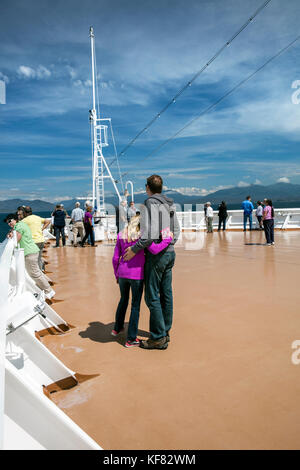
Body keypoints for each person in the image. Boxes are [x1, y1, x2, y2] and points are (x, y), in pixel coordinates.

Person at [123, 174, 180, 350]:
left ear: (148, 188)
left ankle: (158, 337)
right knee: (166, 294)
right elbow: (176, 231)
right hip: (170, 254)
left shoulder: (149, 204)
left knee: (152, 296)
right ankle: (165, 331)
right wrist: (167, 245)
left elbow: (148, 236)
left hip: (157, 257)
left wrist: (134, 249)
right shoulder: (170, 204)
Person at [112, 215, 173, 348]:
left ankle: (116, 328)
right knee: (135, 306)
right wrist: (167, 240)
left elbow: (115, 258)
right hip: (137, 276)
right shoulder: (142, 236)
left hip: (122, 273)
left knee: (123, 300)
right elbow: (155, 249)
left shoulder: (121, 235)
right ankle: (131, 339)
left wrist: (117, 274)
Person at [4, 213, 55, 299]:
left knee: (34, 273)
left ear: (15, 219)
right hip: (32, 250)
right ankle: (46, 289)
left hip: (29, 253)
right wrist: (12, 233)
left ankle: (49, 291)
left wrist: (11, 235)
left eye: (10, 221)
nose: (9, 223)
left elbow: (16, 239)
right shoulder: (21, 224)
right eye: (7, 222)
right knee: (37, 272)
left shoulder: (19, 227)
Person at [22, 206, 50, 270]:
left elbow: (17, 228)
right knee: (39, 258)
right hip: (41, 241)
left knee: (33, 260)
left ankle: (37, 274)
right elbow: (48, 221)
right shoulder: (37, 217)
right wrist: (42, 229)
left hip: (33, 242)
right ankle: (41, 271)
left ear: (24, 212)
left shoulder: (24, 220)